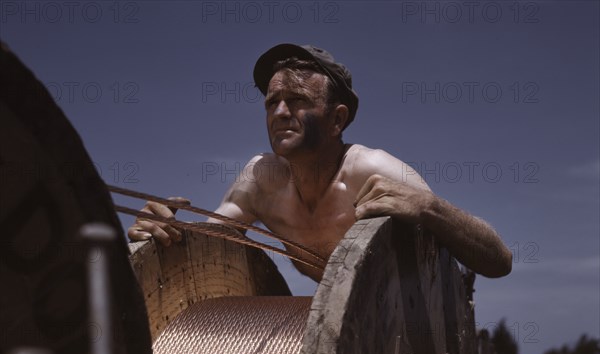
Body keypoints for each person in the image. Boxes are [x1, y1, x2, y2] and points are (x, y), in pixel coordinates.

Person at [128, 43, 512, 282]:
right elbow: (209, 242)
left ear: (337, 119)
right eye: (271, 102)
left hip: (414, 337)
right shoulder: (262, 178)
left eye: (297, 100)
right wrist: (164, 230)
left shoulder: (372, 170)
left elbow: (499, 261)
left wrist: (430, 208)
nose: (279, 112)